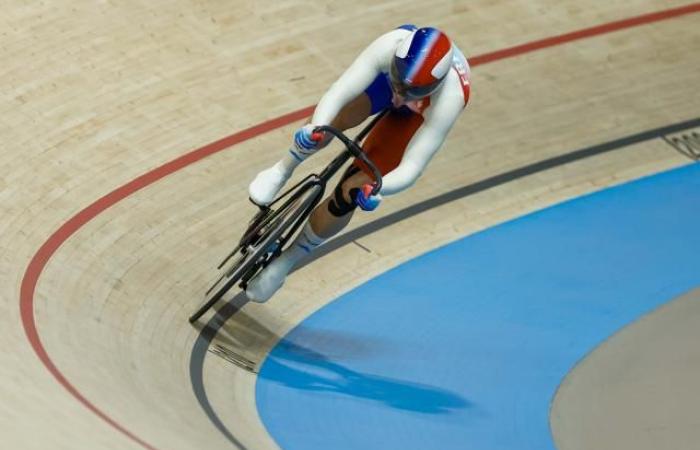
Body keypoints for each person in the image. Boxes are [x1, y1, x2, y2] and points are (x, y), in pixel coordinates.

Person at [245, 25, 471, 302]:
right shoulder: (389, 45)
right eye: (399, 81)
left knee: (352, 191)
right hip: (380, 86)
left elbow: (413, 165)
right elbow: (339, 92)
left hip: (414, 117)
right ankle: (282, 169)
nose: (399, 96)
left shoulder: (450, 98)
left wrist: (379, 189)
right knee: (331, 121)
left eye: (409, 91)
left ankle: (287, 262)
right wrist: (315, 127)